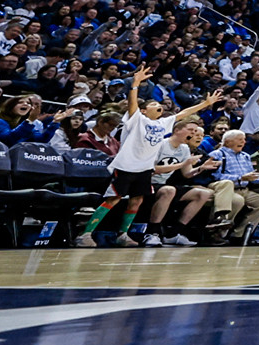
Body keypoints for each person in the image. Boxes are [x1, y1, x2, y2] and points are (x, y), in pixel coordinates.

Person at [74, 65, 219, 246]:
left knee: (136, 202)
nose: (158, 106)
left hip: (144, 168)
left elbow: (183, 113)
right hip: (126, 166)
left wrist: (205, 104)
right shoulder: (136, 119)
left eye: (159, 105)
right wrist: (135, 84)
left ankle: (123, 235)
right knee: (113, 199)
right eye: (153, 104)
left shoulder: (163, 123)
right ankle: (85, 234)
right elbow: (133, 103)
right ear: (144, 110)